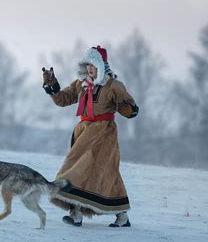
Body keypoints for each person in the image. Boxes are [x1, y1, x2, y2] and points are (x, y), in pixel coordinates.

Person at [42, 45, 139, 227]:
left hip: (103, 133)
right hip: (84, 132)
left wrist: (128, 109)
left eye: (93, 65)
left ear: (102, 66)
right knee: (105, 172)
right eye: (87, 65)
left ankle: (76, 212)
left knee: (80, 168)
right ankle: (121, 215)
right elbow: (64, 99)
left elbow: (129, 105)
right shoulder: (81, 84)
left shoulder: (113, 85)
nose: (90, 69)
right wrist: (52, 86)